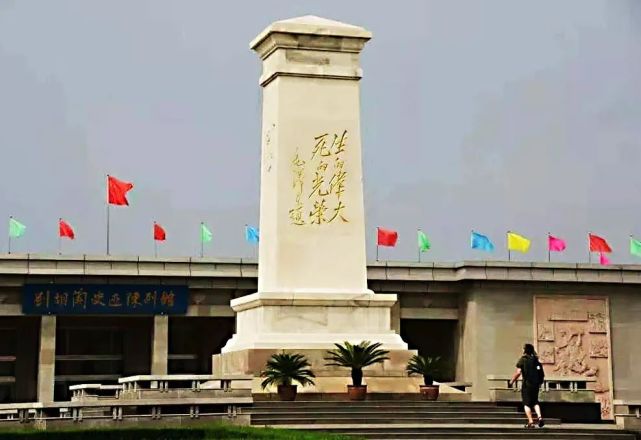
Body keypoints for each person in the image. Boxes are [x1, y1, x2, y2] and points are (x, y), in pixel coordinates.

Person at [509, 343, 545, 428]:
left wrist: (511, 381)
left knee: (527, 403)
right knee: (535, 402)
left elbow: (518, 373)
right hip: (536, 385)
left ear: (525, 350)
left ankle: (531, 421)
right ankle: (540, 417)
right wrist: (539, 383)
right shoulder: (536, 360)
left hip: (527, 385)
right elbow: (541, 374)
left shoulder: (523, 360)